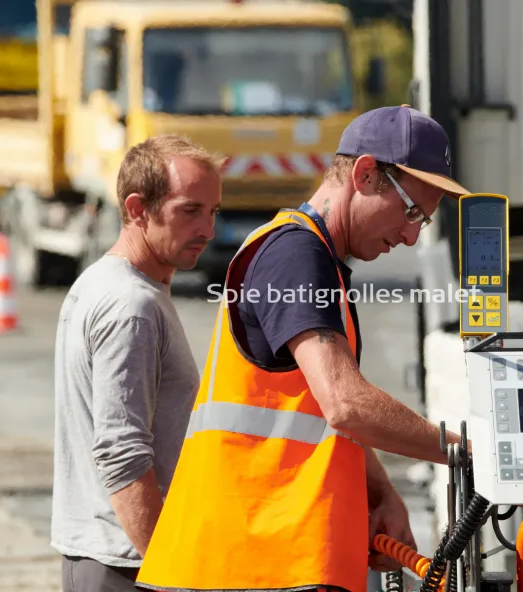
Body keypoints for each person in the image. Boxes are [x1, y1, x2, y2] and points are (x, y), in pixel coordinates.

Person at [134, 106, 471, 592]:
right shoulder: (295, 255)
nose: (412, 235)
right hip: (251, 565)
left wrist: (380, 491)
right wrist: (467, 453)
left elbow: (317, 410)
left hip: (264, 564)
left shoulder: (312, 259)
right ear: (366, 173)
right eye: (412, 211)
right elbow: (346, 404)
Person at [50, 134, 224, 591]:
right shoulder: (131, 305)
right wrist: (172, 570)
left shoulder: (109, 284)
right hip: (127, 565)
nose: (208, 229)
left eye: (213, 211)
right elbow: (122, 454)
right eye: (190, 210)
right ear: (135, 208)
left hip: (114, 557)